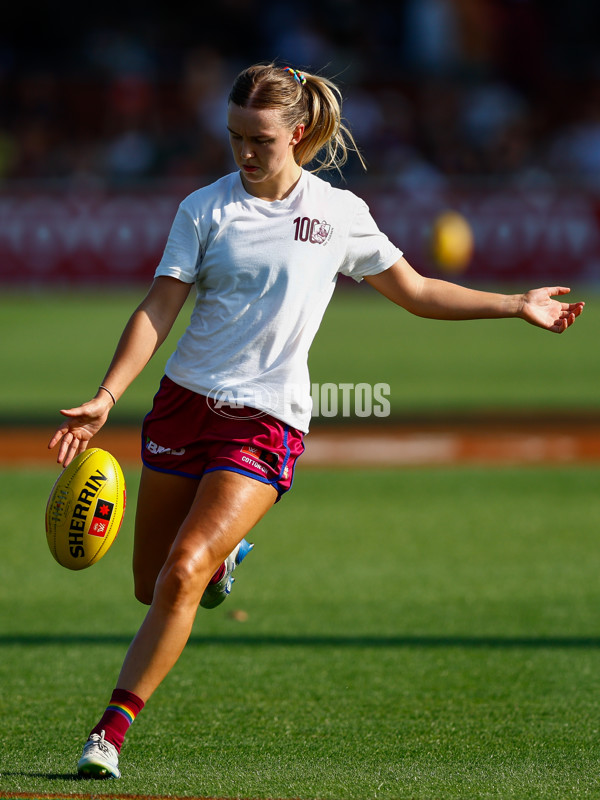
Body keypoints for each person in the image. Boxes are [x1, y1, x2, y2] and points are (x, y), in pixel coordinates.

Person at [48, 62, 584, 780]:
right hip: (182, 406)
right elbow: (158, 308)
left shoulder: (338, 213)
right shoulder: (203, 209)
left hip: (265, 421)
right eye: (235, 136)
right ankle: (226, 558)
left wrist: (516, 304)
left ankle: (108, 734)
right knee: (152, 586)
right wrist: (108, 395)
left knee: (181, 573)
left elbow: (418, 291)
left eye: (261, 140)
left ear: (298, 133)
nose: (245, 152)